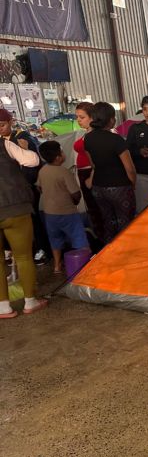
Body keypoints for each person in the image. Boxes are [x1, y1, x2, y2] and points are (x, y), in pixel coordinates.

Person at [0, 130, 48, 318]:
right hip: (15, 207)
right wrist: (23, 148)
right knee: (23, 257)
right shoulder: (5, 144)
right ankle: (30, 301)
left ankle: (3, 307)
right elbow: (32, 161)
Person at [0, 109, 49, 265]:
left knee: (33, 220)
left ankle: (40, 249)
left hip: (25, 189)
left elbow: (35, 162)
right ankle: (12, 251)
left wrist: (26, 149)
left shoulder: (22, 138)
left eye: (2, 125)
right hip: (7, 193)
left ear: (11, 122)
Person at [84, 102, 137, 244]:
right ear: (111, 119)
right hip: (119, 188)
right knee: (125, 223)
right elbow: (130, 169)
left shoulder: (88, 138)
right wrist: (133, 183)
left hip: (98, 188)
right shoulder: (116, 140)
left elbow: (93, 164)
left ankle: (109, 251)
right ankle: (125, 252)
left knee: (108, 221)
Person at [36, 141, 90, 274]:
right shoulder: (64, 171)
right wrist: (75, 202)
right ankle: (84, 267)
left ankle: (57, 266)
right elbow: (75, 193)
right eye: (62, 151)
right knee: (78, 239)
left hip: (49, 213)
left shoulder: (43, 170)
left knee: (55, 240)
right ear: (58, 157)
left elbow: (39, 187)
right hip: (68, 212)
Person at [72, 102, 104, 242]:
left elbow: (99, 159)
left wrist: (92, 176)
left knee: (97, 207)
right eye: (77, 117)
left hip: (91, 173)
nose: (78, 120)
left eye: (82, 117)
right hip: (84, 172)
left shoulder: (95, 135)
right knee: (91, 207)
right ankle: (99, 235)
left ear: (92, 118)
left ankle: (102, 237)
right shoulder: (85, 133)